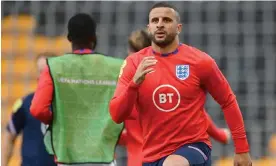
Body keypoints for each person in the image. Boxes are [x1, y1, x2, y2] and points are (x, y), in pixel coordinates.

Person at [109, 2, 252, 166]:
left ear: (179, 28)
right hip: (151, 156)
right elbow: (116, 115)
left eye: (167, 20)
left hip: (193, 148)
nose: (160, 24)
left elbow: (227, 100)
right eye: (155, 20)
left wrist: (242, 149)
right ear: (149, 28)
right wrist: (134, 84)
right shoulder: (134, 64)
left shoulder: (199, 61)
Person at [117, 29, 231, 166]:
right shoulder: (165, 83)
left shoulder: (125, 88)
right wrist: (221, 135)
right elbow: (198, 115)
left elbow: (116, 124)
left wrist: (128, 138)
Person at [30, 13, 123, 166]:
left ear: (69, 38)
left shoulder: (53, 66)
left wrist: (56, 121)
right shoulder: (117, 67)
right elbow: (126, 109)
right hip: (103, 156)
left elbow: (37, 109)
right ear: (94, 37)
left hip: (67, 157)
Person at [1, 52, 57, 166]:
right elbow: (9, 136)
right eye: (41, 72)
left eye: (48, 72)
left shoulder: (69, 105)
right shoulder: (25, 103)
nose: (44, 76)